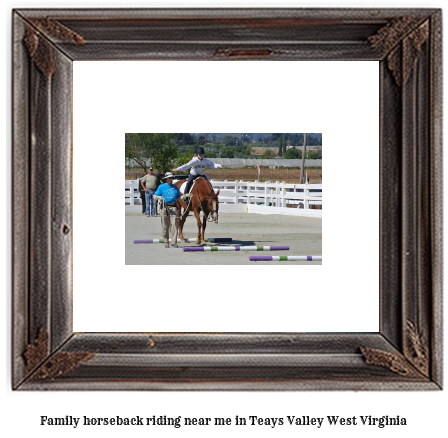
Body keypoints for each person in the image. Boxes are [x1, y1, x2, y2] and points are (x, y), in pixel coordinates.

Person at [154, 172, 191, 248]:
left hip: (173, 207)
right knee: (165, 225)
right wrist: (159, 197)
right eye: (169, 178)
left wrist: (185, 196)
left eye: (171, 178)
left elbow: (178, 197)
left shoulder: (175, 187)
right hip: (164, 207)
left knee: (174, 225)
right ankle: (166, 242)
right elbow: (155, 195)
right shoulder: (161, 187)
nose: (170, 179)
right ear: (166, 179)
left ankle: (174, 242)